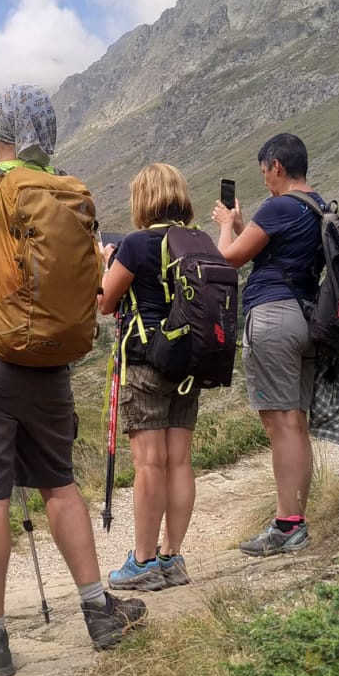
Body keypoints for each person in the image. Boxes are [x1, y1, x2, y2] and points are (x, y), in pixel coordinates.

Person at [0, 83, 147, 676]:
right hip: (52, 366)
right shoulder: (71, 192)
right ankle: (100, 610)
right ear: (49, 137)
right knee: (59, 484)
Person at [212, 132, 324, 556]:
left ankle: (288, 525)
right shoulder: (317, 205)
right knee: (296, 422)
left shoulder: (279, 205)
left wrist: (225, 227)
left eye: (264, 173)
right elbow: (273, 251)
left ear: (277, 165)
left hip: (273, 319)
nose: (264, 182)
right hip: (305, 318)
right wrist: (241, 227)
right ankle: (293, 518)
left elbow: (229, 260)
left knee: (279, 425)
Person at [97, 163, 199, 591]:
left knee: (148, 463)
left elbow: (105, 301)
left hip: (145, 362)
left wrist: (107, 262)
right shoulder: (197, 240)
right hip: (190, 363)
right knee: (179, 461)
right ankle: (172, 557)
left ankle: (142, 562)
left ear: (144, 199)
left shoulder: (137, 244)